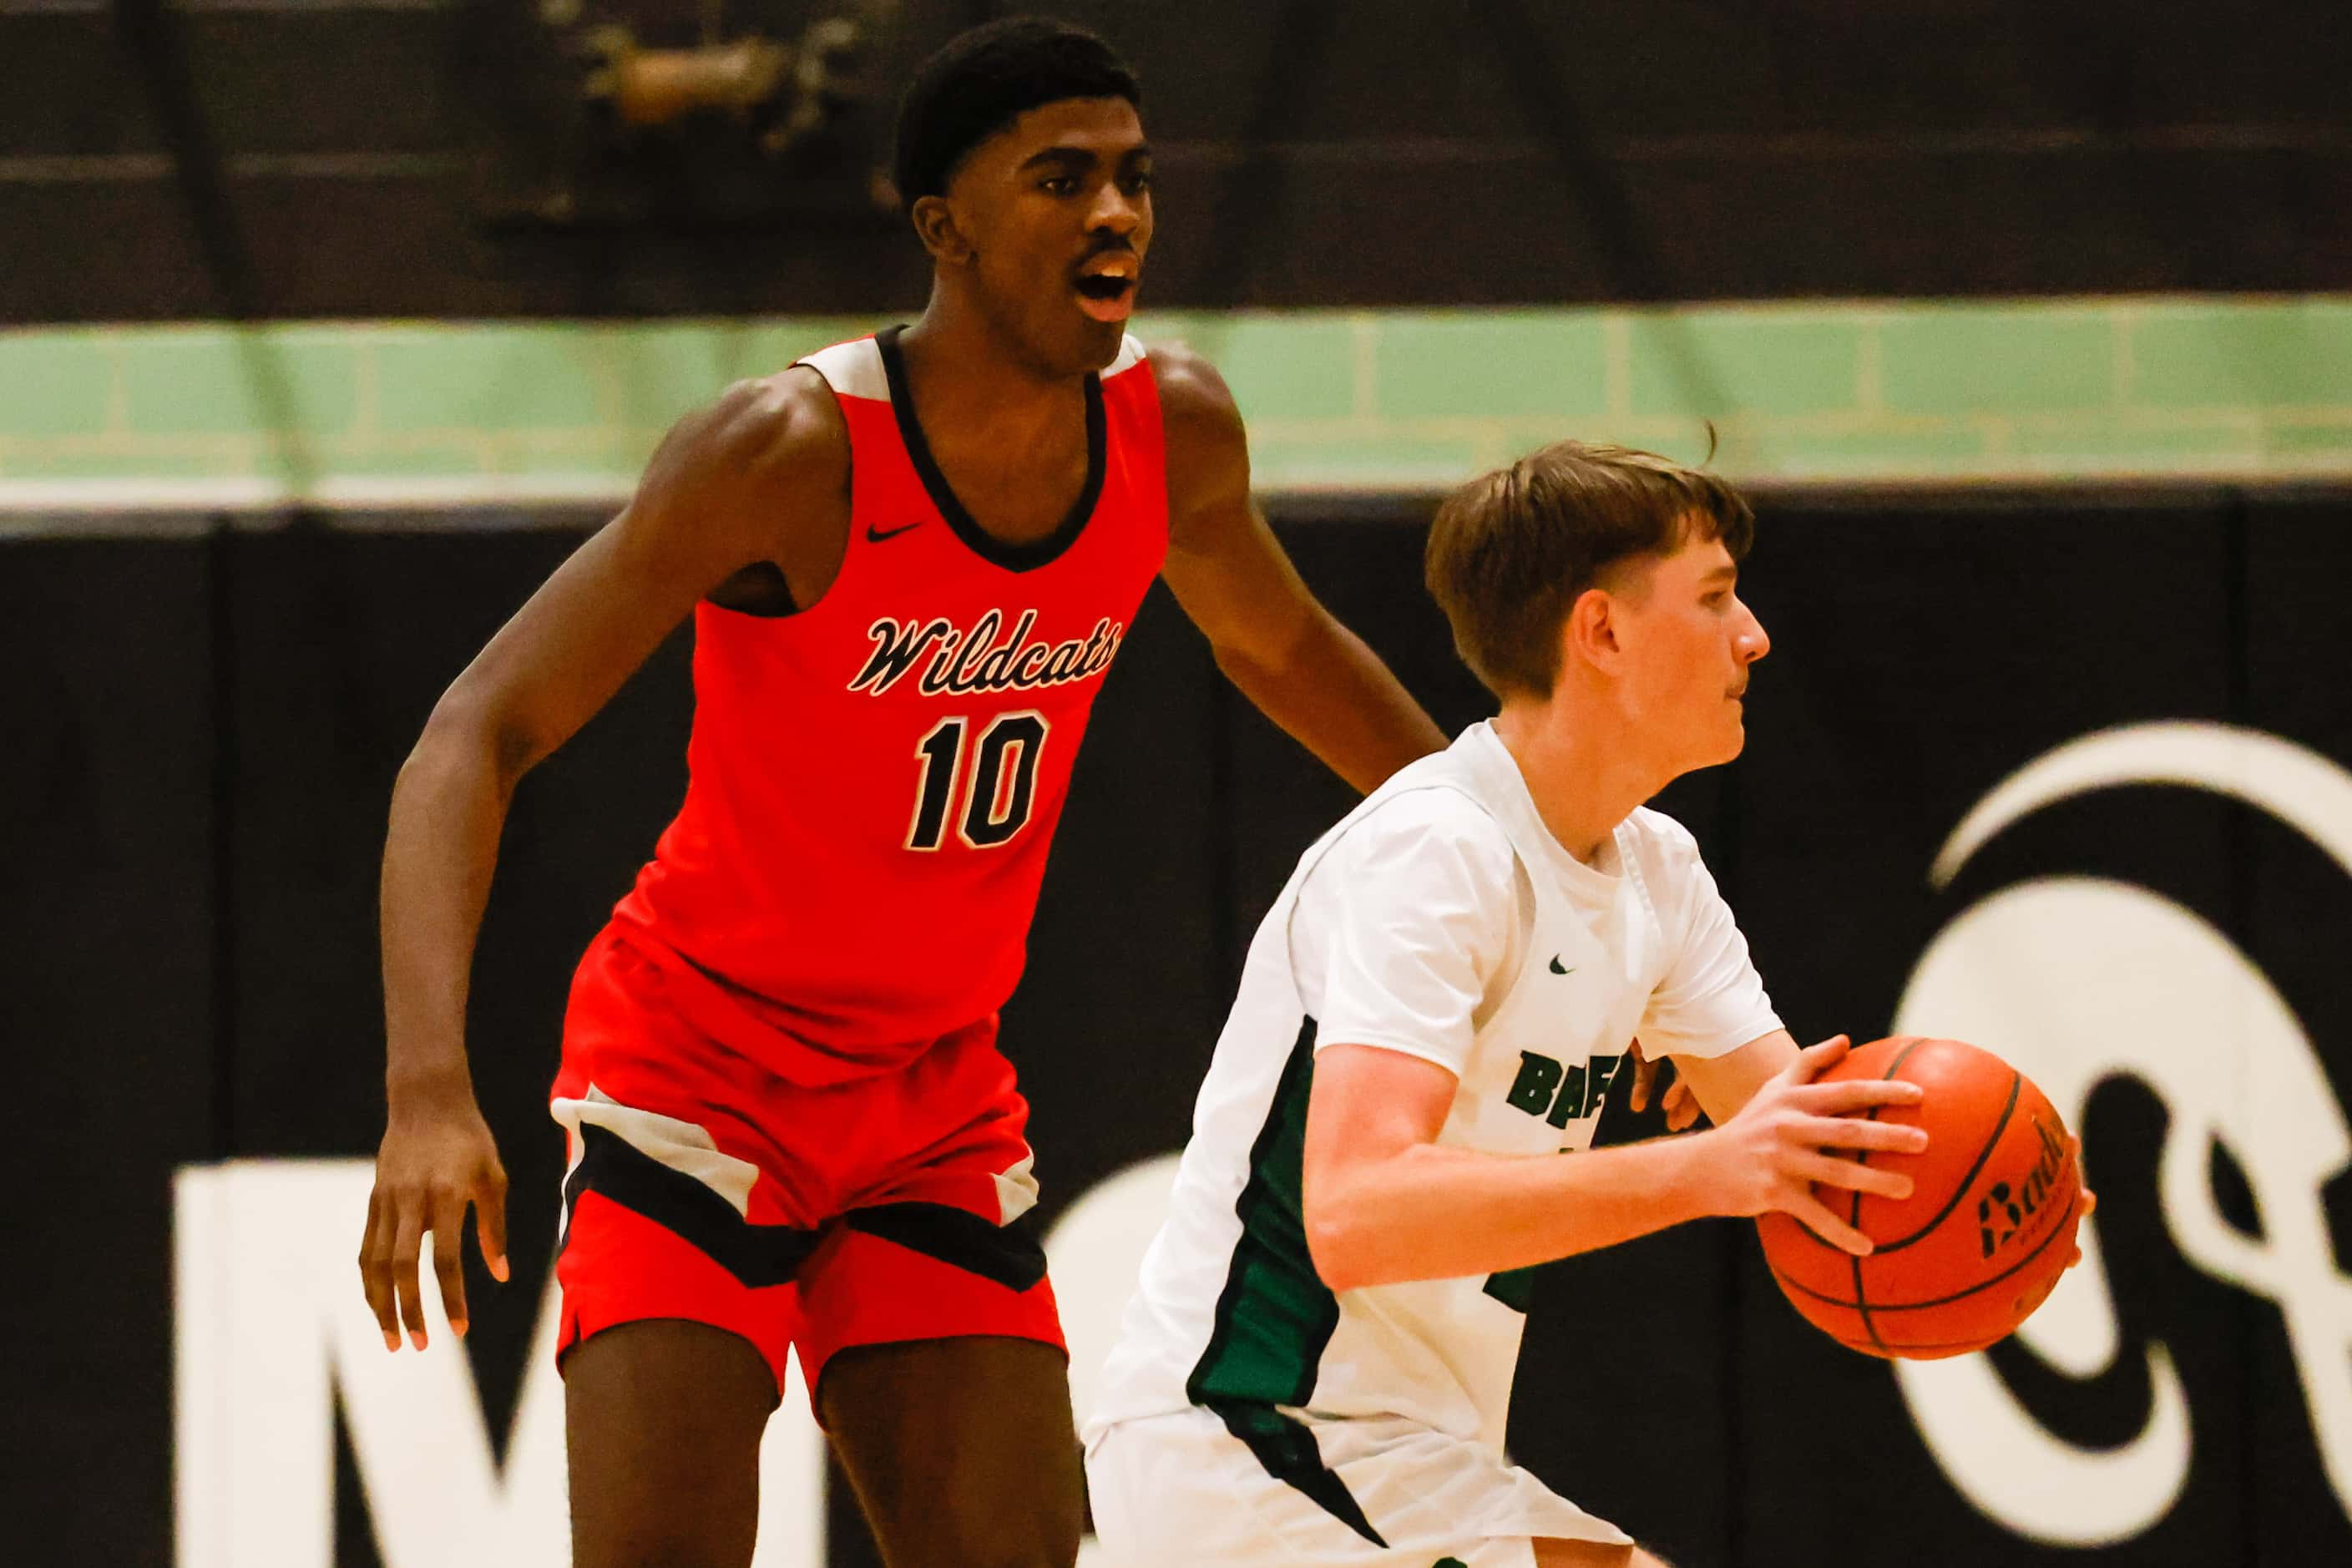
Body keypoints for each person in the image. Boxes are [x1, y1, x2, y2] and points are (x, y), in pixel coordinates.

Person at [355, 17, 1445, 1568]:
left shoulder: (1172, 435)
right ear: (942, 225)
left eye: (1133, 179)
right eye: (1061, 180)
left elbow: (1280, 646)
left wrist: (1520, 846)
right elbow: (474, 730)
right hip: (697, 1081)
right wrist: (425, 1092)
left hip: (928, 1100)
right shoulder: (787, 450)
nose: (1117, 214)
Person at [1083, 441, 1985, 1567]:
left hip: (1403, 1450)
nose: (1755, 633)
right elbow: (1356, 1209)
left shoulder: (1660, 871)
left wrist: (2002, 1189)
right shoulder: (1437, 851)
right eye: (1714, 599)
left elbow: (1805, 1147)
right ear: (1601, 632)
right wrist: (1706, 1170)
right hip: (1248, 1436)